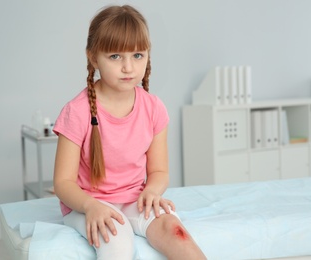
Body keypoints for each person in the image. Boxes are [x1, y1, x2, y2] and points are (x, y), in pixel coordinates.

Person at [53, 4, 206, 260]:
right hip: (86, 204)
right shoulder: (76, 112)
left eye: (137, 55)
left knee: (175, 230)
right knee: (117, 240)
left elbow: (159, 171)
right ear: (93, 57)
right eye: (115, 56)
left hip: (134, 199)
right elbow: (63, 183)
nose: (128, 67)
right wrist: (91, 207)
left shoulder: (154, 108)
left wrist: (152, 192)